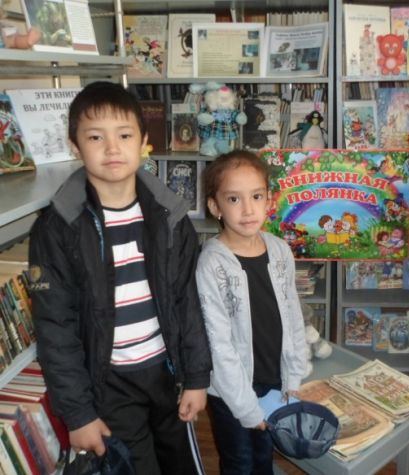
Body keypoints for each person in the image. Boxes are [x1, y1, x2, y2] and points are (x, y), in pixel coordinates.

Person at [28, 81, 212, 474]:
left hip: (168, 373)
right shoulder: (58, 229)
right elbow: (55, 327)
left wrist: (197, 377)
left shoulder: (171, 217)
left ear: (143, 141)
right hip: (110, 383)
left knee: (181, 465)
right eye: (96, 137)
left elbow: (188, 303)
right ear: (75, 146)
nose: (112, 148)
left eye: (124, 135)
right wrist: (78, 414)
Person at [195, 150, 306, 474]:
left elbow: (293, 315)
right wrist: (246, 408)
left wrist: (293, 376)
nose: (247, 209)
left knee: (263, 455)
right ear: (215, 206)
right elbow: (218, 345)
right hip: (231, 390)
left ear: (268, 199)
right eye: (233, 199)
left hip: (273, 379)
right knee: (240, 462)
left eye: (256, 196)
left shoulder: (280, 250)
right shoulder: (211, 264)